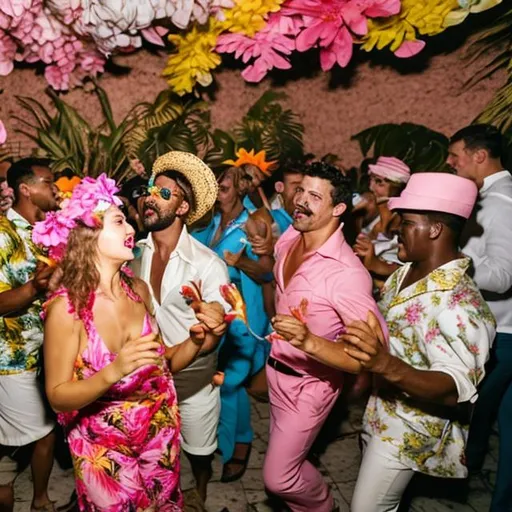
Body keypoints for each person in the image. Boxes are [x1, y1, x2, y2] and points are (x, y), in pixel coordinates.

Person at [39, 173, 226, 511]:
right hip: (105, 450)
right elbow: (57, 396)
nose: (131, 230)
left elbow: (160, 362)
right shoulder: (67, 310)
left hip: (159, 434)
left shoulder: (136, 290)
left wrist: (196, 341)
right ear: (88, 234)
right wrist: (115, 370)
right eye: (120, 221)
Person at [333, 172, 496, 512]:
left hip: (410, 429)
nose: (395, 229)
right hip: (380, 412)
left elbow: (454, 388)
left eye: (406, 223)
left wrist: (384, 364)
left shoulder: (460, 304)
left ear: (434, 229)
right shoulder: (406, 272)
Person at [262, 161, 385, 512]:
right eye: (300, 190)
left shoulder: (347, 274)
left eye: (315, 196)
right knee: (286, 459)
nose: (300, 200)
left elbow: (367, 354)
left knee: (278, 476)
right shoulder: (289, 239)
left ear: (338, 208)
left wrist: (309, 342)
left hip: (310, 386)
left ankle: (323, 506)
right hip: (276, 373)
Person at [134, 151, 229, 503]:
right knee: (152, 455)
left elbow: (217, 331)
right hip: (147, 381)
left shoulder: (207, 265)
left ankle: (200, 494)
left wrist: (210, 333)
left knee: (199, 451)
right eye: (148, 190)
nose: (149, 198)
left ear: (183, 207)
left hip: (193, 382)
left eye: (163, 194)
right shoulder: (136, 253)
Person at [447, 124, 512, 512]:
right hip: (505, 330)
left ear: (479, 156)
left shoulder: (500, 201)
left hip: (502, 334)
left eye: (455, 155)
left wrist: (453, 262)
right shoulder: (492, 196)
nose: (450, 162)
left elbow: (503, 276)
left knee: (463, 416)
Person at [194, 165, 271, 483]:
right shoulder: (208, 221)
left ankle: (239, 443)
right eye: (214, 188)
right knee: (216, 380)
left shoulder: (254, 222)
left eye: (223, 188)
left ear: (240, 189)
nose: (217, 194)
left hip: (242, 317)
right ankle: (223, 437)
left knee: (229, 382)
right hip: (213, 314)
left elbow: (268, 271)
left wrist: (240, 262)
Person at [0, 158, 59, 512]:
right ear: (26, 188)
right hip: (12, 356)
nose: (56, 188)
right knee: (43, 433)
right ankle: (40, 502)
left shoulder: (50, 231)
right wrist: (34, 288)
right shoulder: (4, 235)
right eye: (49, 182)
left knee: (39, 432)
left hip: (45, 351)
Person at [353, 156, 411, 285]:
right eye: (371, 180)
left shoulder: (401, 219)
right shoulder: (372, 209)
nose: (371, 187)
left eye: (379, 182)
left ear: (397, 187)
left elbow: (402, 268)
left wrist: (373, 263)